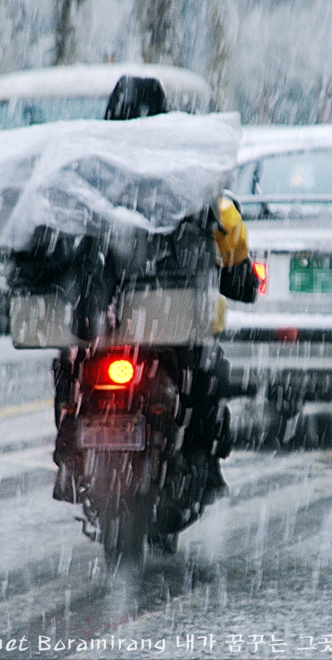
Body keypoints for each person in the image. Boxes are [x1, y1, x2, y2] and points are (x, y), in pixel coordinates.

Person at [44, 75, 258, 505]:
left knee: (67, 371)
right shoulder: (189, 180)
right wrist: (240, 278)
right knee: (208, 377)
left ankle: (69, 460)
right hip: (163, 330)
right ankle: (203, 468)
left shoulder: (82, 178)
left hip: (96, 330)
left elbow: (47, 237)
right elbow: (234, 255)